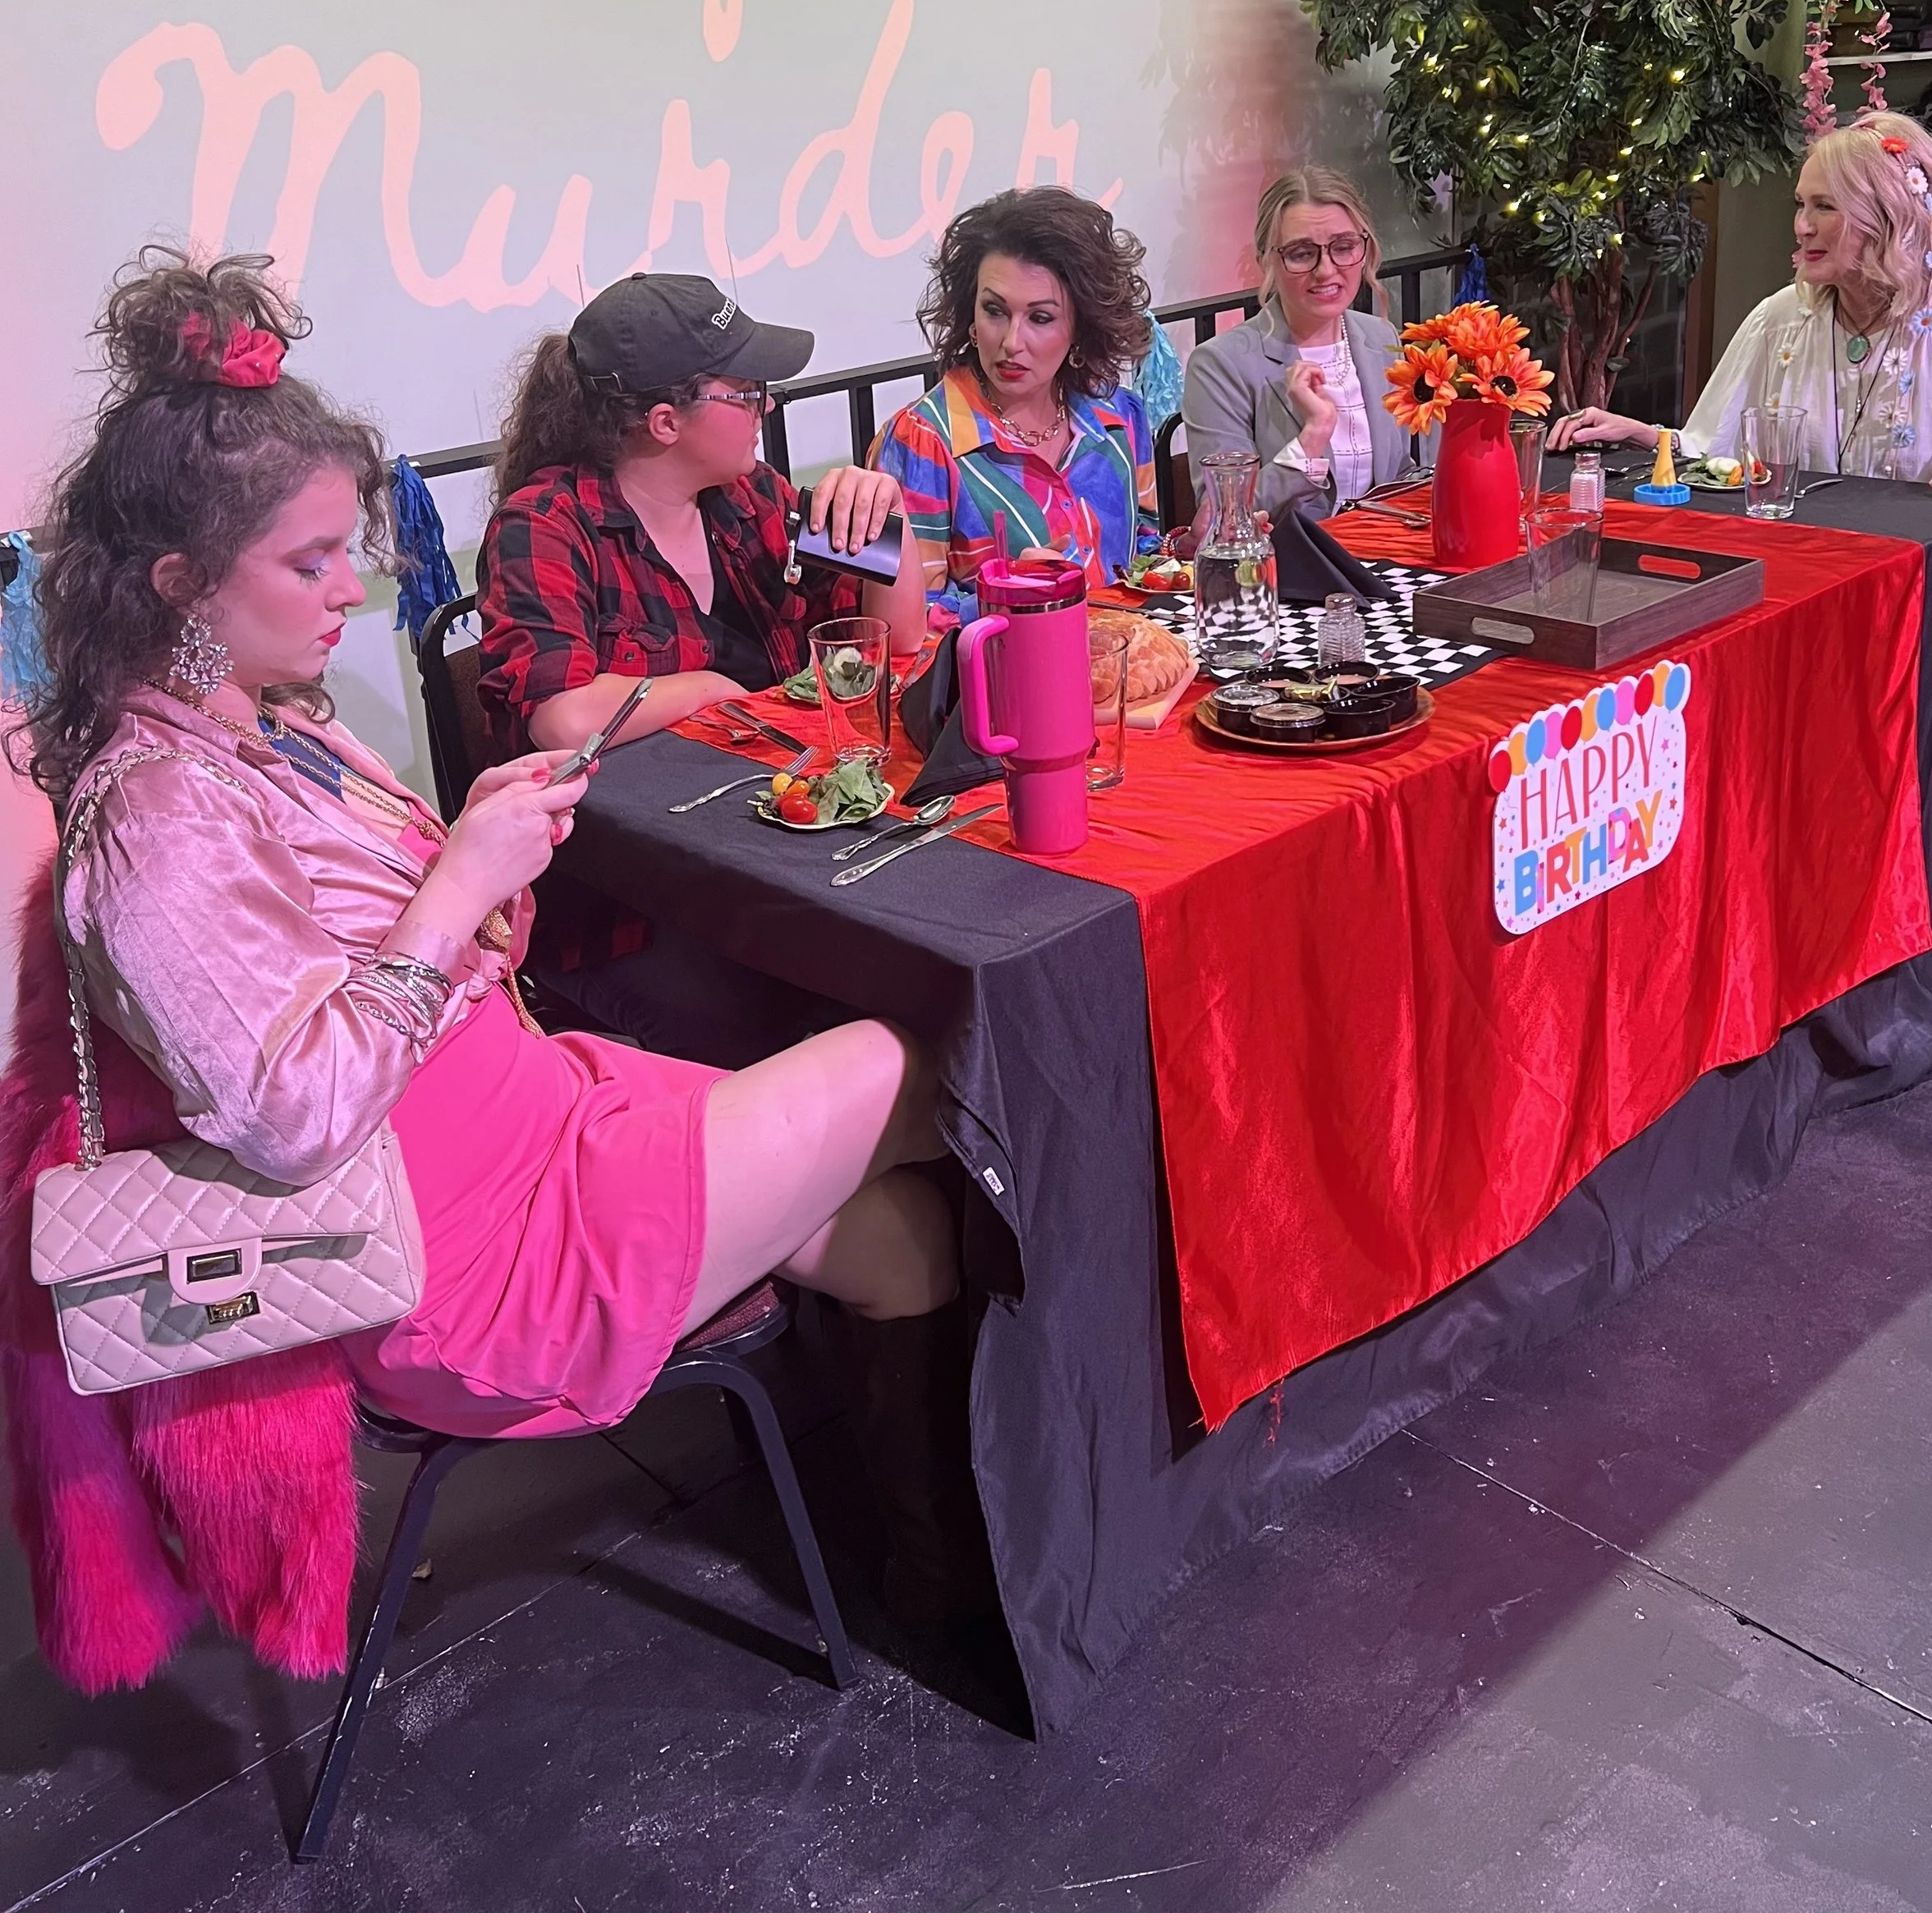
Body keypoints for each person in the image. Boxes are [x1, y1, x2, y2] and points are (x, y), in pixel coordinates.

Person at [17, 250, 996, 1626]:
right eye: (306, 563)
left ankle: (940, 1583)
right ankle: (1062, 1493)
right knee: (931, 1049)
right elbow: (292, 1121)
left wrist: (470, 868)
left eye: (340, 552)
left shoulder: (268, 728)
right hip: (465, 1262)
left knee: (906, 1239)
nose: (345, 594)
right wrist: (451, 888)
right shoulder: (156, 819)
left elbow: (386, 947)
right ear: (177, 583)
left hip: (542, 1124)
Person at [477, 272, 929, 1060]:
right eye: (748, 392)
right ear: (664, 420)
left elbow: (896, 640)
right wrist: (713, 690)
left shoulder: (746, 497)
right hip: (628, 905)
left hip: (773, 858)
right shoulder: (546, 524)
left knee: (912, 971)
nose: (769, 408)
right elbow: (561, 714)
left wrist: (889, 527)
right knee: (795, 1023)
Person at [1549, 112, 1932, 522]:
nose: (1802, 227)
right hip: (1804, 573)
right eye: (1800, 205)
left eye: (1825, 207)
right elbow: (1713, 452)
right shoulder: (1780, 319)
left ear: (1886, 220)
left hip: (1919, 588)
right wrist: (1644, 436)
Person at [870, 186, 1159, 622]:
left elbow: (1143, 560)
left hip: (1125, 672)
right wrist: (1010, 595)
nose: (1011, 342)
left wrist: (1188, 551)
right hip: (996, 681)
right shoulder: (922, 442)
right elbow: (907, 630)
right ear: (971, 314)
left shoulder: (1120, 418)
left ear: (1080, 327)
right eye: (995, 311)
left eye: (1040, 318)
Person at [1180, 166, 1425, 518]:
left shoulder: (1380, 337)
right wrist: (1313, 436)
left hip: (1383, 555)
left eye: (1343, 247)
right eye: (1301, 253)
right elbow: (1221, 514)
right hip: (1287, 565)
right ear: (1266, 260)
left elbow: (1399, 472)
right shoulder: (1221, 364)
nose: (1326, 270)